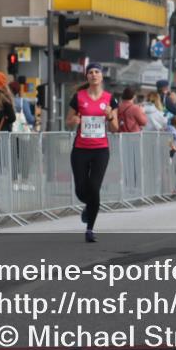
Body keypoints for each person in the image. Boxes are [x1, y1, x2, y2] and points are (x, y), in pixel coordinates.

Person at [65, 63, 119, 243]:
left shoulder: (110, 99)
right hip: (80, 149)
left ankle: (90, 229)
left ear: (102, 76)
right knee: (81, 190)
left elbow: (115, 128)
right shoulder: (78, 97)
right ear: (86, 77)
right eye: (90, 72)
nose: (94, 75)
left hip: (100, 150)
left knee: (94, 188)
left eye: (97, 72)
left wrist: (110, 116)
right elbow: (68, 121)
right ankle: (89, 206)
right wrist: (74, 119)